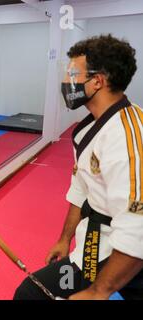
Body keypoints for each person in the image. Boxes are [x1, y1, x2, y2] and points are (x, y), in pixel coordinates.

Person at [14, 34, 143, 300]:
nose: (66, 81)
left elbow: (138, 223)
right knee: (32, 293)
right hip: (95, 244)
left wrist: (98, 292)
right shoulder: (91, 126)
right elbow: (81, 189)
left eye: (73, 73)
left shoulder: (125, 135)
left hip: (127, 254)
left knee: (31, 295)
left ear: (98, 81)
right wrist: (65, 239)